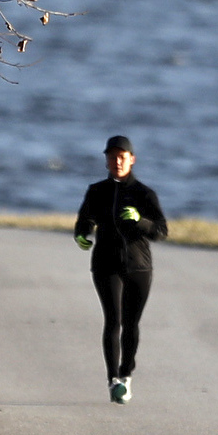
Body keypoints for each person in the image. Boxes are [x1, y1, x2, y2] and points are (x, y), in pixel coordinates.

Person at [74, 135, 168, 403]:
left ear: (132, 160)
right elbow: (84, 220)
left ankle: (126, 375)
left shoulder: (144, 194)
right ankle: (113, 379)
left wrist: (140, 221)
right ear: (106, 160)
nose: (117, 161)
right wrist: (81, 234)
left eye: (122, 157)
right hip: (105, 264)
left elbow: (161, 231)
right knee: (113, 320)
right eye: (112, 157)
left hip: (139, 267)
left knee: (131, 323)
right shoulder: (96, 191)